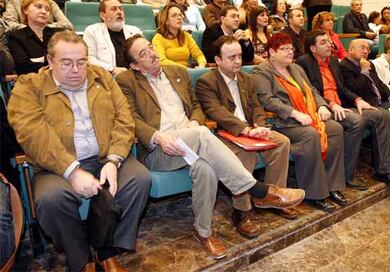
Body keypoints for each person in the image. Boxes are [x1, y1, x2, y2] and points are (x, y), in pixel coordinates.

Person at [116, 34, 305, 258]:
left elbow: (195, 106)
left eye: (150, 47)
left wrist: (194, 124)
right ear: (134, 65)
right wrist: (157, 137)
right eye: (142, 54)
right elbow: (131, 119)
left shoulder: (177, 73)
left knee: (204, 168)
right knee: (202, 134)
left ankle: (203, 232)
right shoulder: (126, 81)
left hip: (192, 140)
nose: (152, 53)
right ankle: (259, 190)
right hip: (161, 149)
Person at [7, 30, 152, 272]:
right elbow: (32, 134)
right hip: (55, 165)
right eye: (66, 63)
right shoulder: (29, 86)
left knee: (139, 179)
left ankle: (106, 250)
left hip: (105, 155)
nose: (75, 69)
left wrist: (114, 160)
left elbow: (124, 119)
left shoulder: (103, 78)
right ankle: (81, 258)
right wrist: (72, 171)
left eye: (81, 62)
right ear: (50, 61)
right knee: (51, 199)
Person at [195, 35, 297, 220]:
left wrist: (261, 126)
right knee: (245, 152)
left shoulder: (247, 79)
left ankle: (271, 198)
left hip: (251, 129)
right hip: (224, 134)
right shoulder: (206, 82)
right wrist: (246, 130)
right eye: (231, 57)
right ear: (218, 60)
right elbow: (216, 112)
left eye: (239, 56)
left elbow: (257, 106)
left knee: (282, 142)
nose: (238, 61)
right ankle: (242, 210)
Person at [253, 32, 348, 212]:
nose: (290, 52)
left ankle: (332, 185)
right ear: (272, 52)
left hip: (308, 115)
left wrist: (320, 106)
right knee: (310, 134)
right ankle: (316, 193)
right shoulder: (262, 71)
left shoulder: (295, 68)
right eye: (284, 49)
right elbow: (268, 100)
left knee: (335, 128)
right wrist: (294, 113)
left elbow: (311, 90)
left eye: (291, 48)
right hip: (283, 122)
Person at [296, 31, 390, 191]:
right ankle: (346, 174)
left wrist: (358, 100)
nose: (329, 44)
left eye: (329, 41)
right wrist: (330, 104)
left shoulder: (334, 61)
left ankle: (384, 170)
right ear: (313, 48)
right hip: (324, 108)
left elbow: (342, 89)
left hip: (343, 105)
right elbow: (310, 91)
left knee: (382, 115)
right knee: (357, 121)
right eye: (323, 42)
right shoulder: (304, 62)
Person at [340, 39, 390, 188]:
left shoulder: (367, 64)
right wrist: (363, 71)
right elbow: (354, 89)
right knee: (384, 117)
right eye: (362, 48)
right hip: (361, 105)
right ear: (350, 49)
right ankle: (384, 170)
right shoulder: (345, 66)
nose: (366, 51)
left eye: (367, 48)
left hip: (379, 102)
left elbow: (380, 84)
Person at [83, 0, 142, 75]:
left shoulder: (135, 31)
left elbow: (143, 55)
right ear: (103, 15)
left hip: (135, 76)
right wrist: (112, 69)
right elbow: (89, 59)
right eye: (113, 9)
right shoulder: (92, 31)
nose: (119, 12)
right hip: (107, 76)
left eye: (120, 9)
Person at [8, 0, 63, 75]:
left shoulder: (59, 33)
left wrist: (38, 60)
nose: (44, 12)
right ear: (25, 9)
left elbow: (68, 60)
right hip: (33, 83)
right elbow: (23, 67)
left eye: (47, 9)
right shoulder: (16, 36)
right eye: (39, 7)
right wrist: (51, 62)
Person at [152, 3, 206, 69]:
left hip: (188, 72)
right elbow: (162, 61)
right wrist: (185, 69)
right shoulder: (158, 38)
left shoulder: (186, 35)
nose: (179, 18)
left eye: (180, 15)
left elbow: (198, 54)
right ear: (166, 21)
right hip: (171, 73)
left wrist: (201, 65)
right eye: (174, 16)